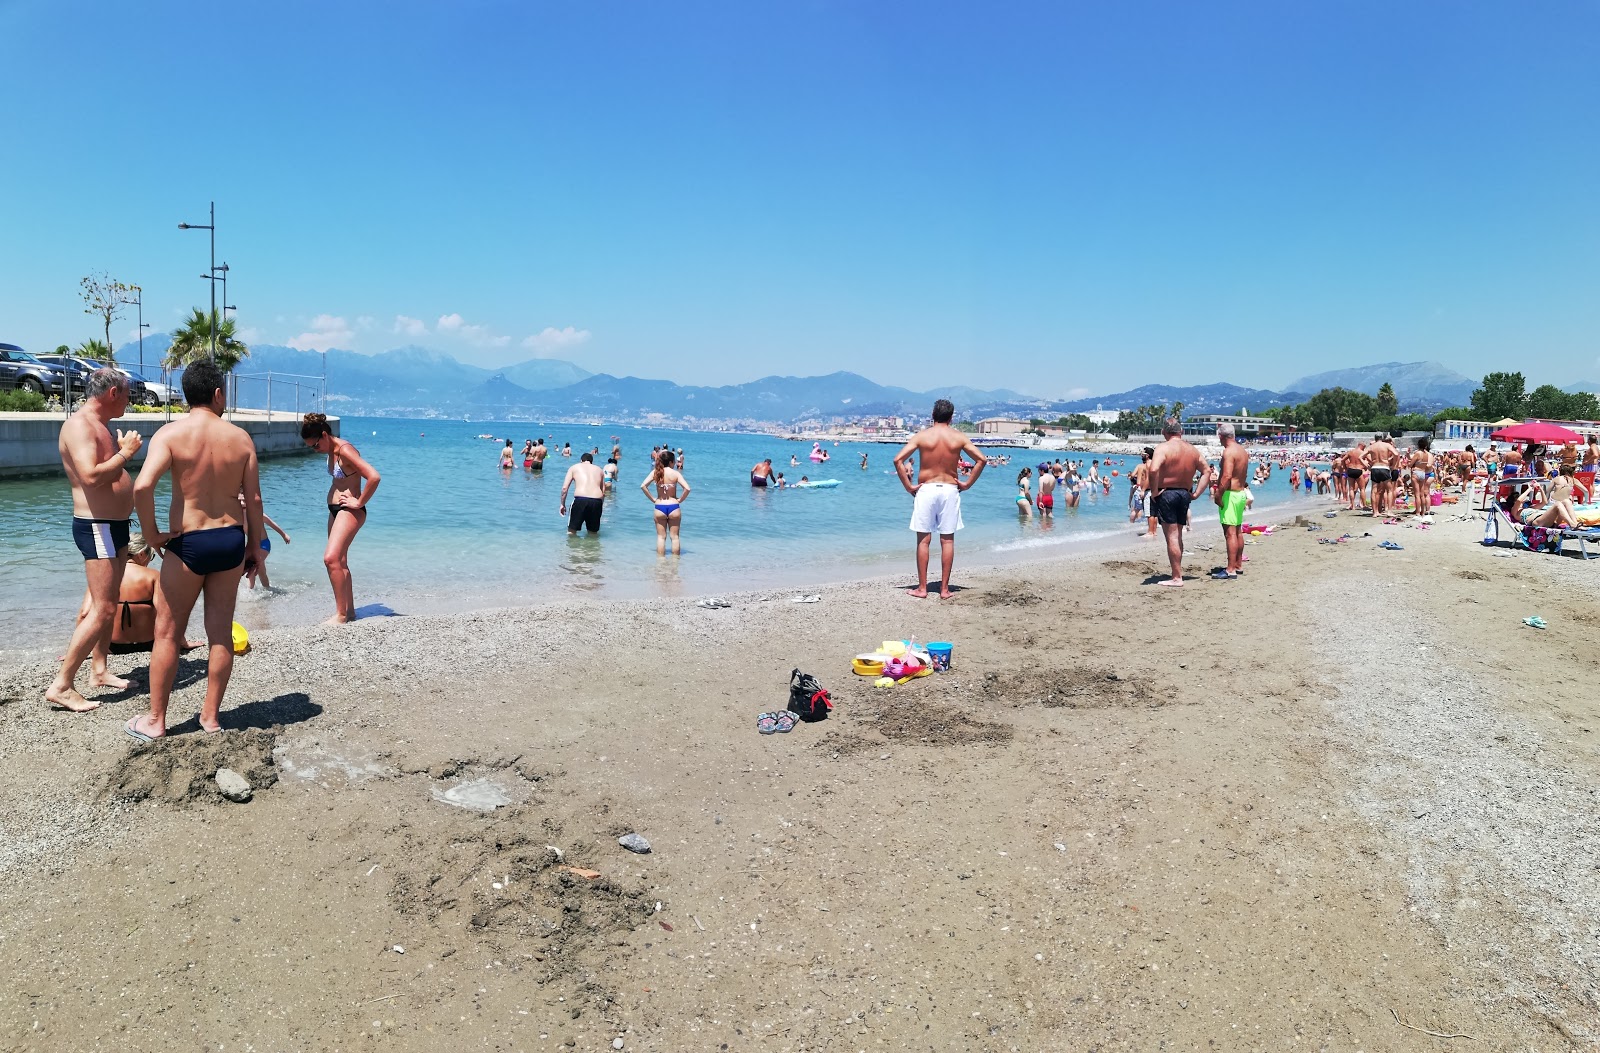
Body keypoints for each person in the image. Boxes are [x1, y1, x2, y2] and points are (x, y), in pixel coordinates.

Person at [127, 361, 266, 741]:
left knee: (168, 634)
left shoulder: (171, 434)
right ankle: (210, 717)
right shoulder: (241, 439)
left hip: (188, 543)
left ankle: (156, 721)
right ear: (218, 393)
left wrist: (152, 534)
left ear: (188, 394)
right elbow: (253, 499)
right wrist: (255, 546)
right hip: (229, 541)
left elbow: (142, 488)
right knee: (220, 633)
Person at [46, 367, 142, 712]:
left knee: (110, 602)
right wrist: (126, 454)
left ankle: (99, 670)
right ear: (113, 393)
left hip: (113, 523)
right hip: (96, 525)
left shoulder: (98, 426)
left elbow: (107, 470)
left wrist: (118, 455)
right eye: (128, 394)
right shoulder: (79, 426)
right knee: (102, 609)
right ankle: (62, 684)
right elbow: (89, 476)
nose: (130, 400)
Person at [892, 399, 987, 599]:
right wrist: (967, 484)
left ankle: (922, 588)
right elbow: (982, 459)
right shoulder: (958, 437)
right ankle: (944, 590)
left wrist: (908, 486)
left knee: (923, 540)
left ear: (932, 415)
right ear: (951, 417)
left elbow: (897, 460)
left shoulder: (922, 436)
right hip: (950, 489)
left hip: (926, 489)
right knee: (947, 540)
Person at [301, 411, 381, 624]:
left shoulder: (345, 451)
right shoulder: (331, 450)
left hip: (350, 510)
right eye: (310, 447)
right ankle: (350, 612)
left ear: (325, 436)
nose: (315, 450)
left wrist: (359, 502)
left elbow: (374, 476)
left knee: (331, 559)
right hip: (336, 510)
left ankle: (341, 615)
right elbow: (340, 481)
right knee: (340, 561)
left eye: (315, 445)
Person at [74, 533, 202, 655]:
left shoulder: (104, 577)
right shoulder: (153, 576)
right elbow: (166, 613)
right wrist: (182, 642)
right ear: (141, 554)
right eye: (150, 556)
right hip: (149, 644)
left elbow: (84, 614)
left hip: (112, 646)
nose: (149, 561)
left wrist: (76, 651)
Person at [1147, 418, 1213, 588]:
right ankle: (1177, 572)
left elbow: (1153, 469)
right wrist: (1197, 493)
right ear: (1181, 432)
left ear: (1164, 432)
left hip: (1167, 493)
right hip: (1184, 494)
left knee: (1172, 537)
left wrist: (1154, 491)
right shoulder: (1192, 450)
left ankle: (1177, 577)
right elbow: (1207, 471)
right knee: (1178, 535)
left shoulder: (1163, 448)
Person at [1213, 423, 1249, 579]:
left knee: (1230, 533)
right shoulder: (1242, 451)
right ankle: (1237, 564)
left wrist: (1218, 495)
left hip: (1231, 494)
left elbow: (1227, 476)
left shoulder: (1229, 452)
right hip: (1241, 493)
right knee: (1237, 531)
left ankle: (1230, 569)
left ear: (1221, 436)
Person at [641, 449, 690, 555]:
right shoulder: (675, 473)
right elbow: (687, 489)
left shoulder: (656, 472)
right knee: (675, 537)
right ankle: (675, 564)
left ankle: (660, 564)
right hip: (673, 506)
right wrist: (680, 499)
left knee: (661, 537)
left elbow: (643, 486)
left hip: (660, 506)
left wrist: (653, 499)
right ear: (671, 462)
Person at [561, 452, 607, 535]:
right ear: (591, 461)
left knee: (571, 532)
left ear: (581, 460)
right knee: (593, 533)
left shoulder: (574, 467)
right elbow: (603, 491)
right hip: (596, 501)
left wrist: (562, 504)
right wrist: (600, 506)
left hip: (580, 500)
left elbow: (564, 488)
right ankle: (591, 548)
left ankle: (572, 548)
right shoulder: (599, 470)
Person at [1408, 436, 1435, 518]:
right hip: (1423, 473)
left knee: (1417, 494)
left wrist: (1411, 464)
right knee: (1422, 494)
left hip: (1416, 472)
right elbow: (1427, 465)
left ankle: (1417, 512)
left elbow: (1410, 464)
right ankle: (1423, 512)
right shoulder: (1426, 454)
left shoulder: (1418, 453)